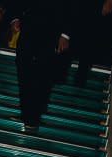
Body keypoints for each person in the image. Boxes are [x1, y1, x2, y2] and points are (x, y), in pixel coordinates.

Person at [7, 0, 76, 131]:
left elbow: (72, 5)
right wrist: (15, 18)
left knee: (42, 72)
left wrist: (66, 34)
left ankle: (33, 117)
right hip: (28, 23)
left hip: (52, 27)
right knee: (23, 67)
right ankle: (25, 113)